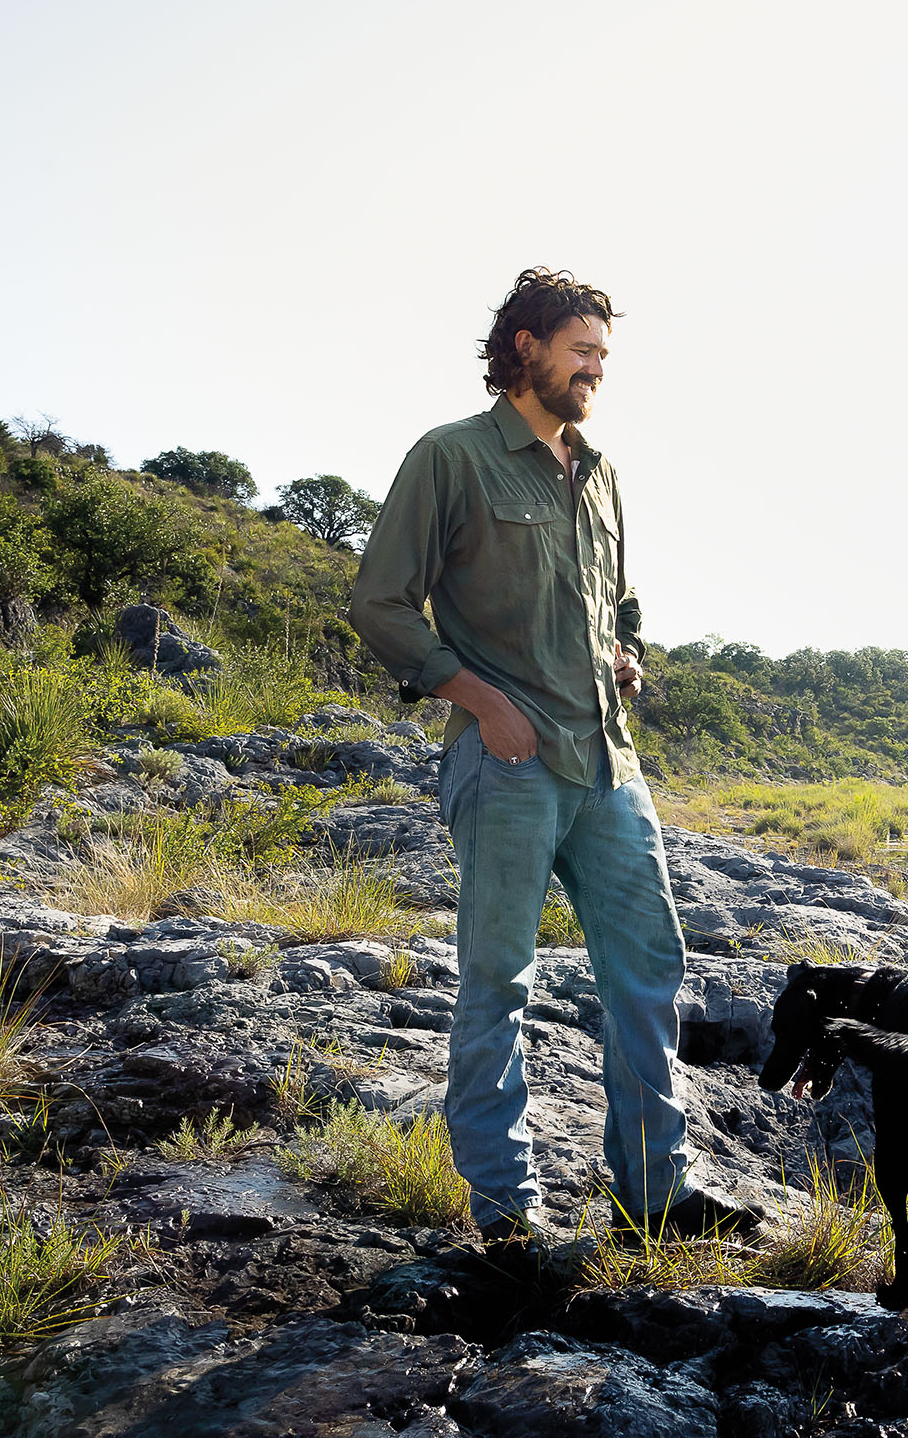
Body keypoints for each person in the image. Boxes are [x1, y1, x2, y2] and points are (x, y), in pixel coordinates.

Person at [348, 267, 755, 1256]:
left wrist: (629, 654)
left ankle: (655, 1192)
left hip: (609, 767)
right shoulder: (450, 458)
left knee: (651, 964)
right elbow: (380, 602)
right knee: (500, 979)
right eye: (582, 351)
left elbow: (620, 600)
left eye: (605, 358)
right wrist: (483, 703)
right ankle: (505, 1214)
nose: (596, 371)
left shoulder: (601, 472)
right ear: (525, 346)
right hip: (511, 765)